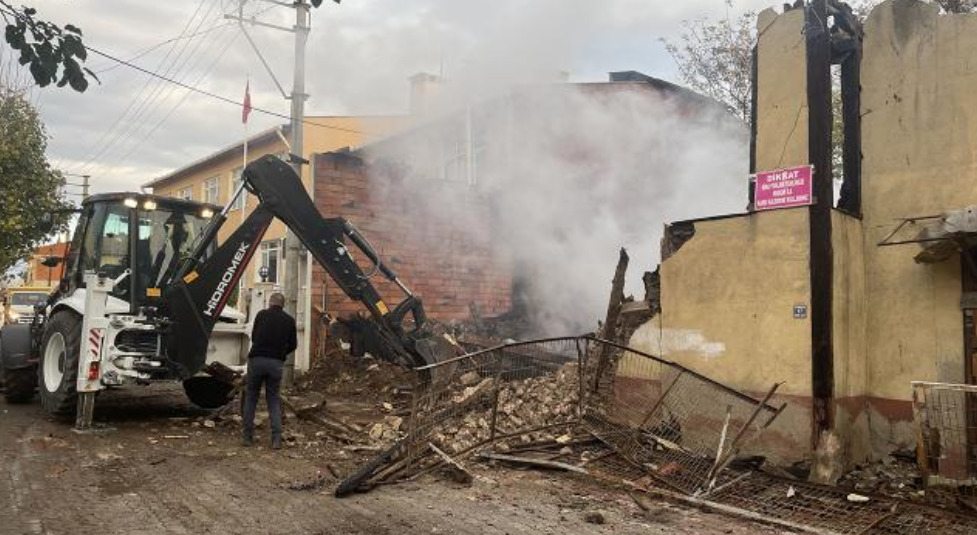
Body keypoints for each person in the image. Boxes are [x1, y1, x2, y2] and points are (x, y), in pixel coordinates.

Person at [242, 292, 296, 449]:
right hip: (276, 364)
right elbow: (293, 344)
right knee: (272, 399)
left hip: (257, 360)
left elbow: (253, 336)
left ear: (270, 303)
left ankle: (247, 437)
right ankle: (276, 439)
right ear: (283, 305)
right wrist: (280, 354)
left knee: (251, 398)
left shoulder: (261, 315)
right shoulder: (289, 320)